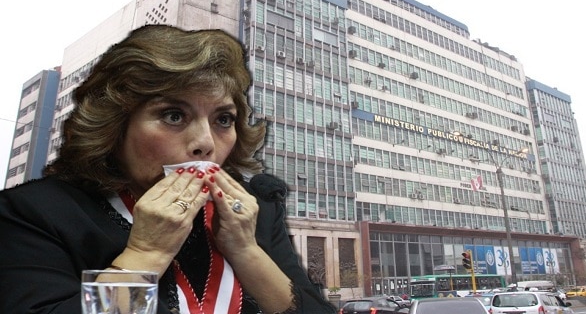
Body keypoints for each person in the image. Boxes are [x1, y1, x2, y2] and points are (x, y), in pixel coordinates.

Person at [0, 25, 336, 314]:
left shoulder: (255, 211)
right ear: (115, 126)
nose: (205, 143)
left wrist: (248, 252)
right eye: (174, 115)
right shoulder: (34, 212)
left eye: (223, 119)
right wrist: (146, 254)